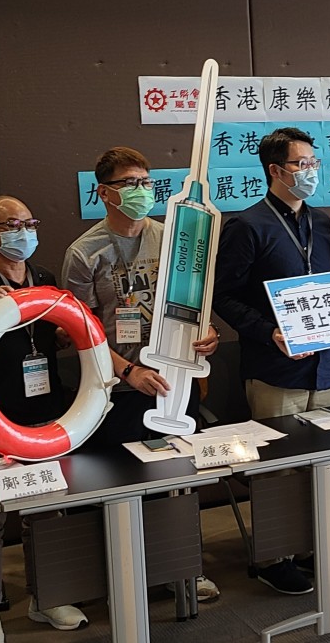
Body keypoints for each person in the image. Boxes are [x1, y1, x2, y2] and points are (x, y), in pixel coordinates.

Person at [62, 146, 221, 600]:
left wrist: (206, 330)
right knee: (125, 481)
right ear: (104, 193)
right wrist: (128, 370)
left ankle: (182, 566)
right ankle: (129, 575)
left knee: (177, 476)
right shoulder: (84, 252)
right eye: (129, 184)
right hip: (119, 386)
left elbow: (195, 301)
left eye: (146, 183)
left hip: (175, 377)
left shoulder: (173, 236)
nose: (140, 191)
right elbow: (83, 331)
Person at [213, 127, 330, 594]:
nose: (309, 172)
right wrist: (269, 331)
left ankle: (309, 545)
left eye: (313, 163)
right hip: (275, 366)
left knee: (322, 462)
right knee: (277, 465)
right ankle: (272, 555)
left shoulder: (323, 222)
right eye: (300, 165)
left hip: (323, 364)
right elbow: (222, 297)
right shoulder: (248, 225)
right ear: (275, 170)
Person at [0, 196, 88, 640]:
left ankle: (48, 597)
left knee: (48, 509)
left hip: (45, 412)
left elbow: (55, 333)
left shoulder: (46, 278)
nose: (23, 231)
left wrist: (61, 335)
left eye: (29, 222)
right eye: (11, 224)